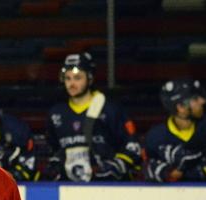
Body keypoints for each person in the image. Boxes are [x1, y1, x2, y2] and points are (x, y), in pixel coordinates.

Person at [43, 52, 141, 182]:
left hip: (108, 186)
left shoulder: (110, 109)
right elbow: (53, 149)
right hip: (70, 186)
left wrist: (116, 166)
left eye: (78, 78)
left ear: (90, 78)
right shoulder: (56, 113)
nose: (72, 83)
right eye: (68, 78)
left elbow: (133, 146)